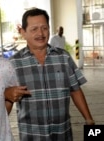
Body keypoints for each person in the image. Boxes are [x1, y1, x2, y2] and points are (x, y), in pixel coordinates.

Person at [6, 8, 94, 141]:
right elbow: (8, 99)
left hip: (62, 133)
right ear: (23, 32)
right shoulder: (13, 64)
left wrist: (89, 120)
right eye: (34, 29)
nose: (40, 33)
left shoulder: (63, 57)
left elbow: (75, 90)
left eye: (44, 28)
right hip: (32, 135)